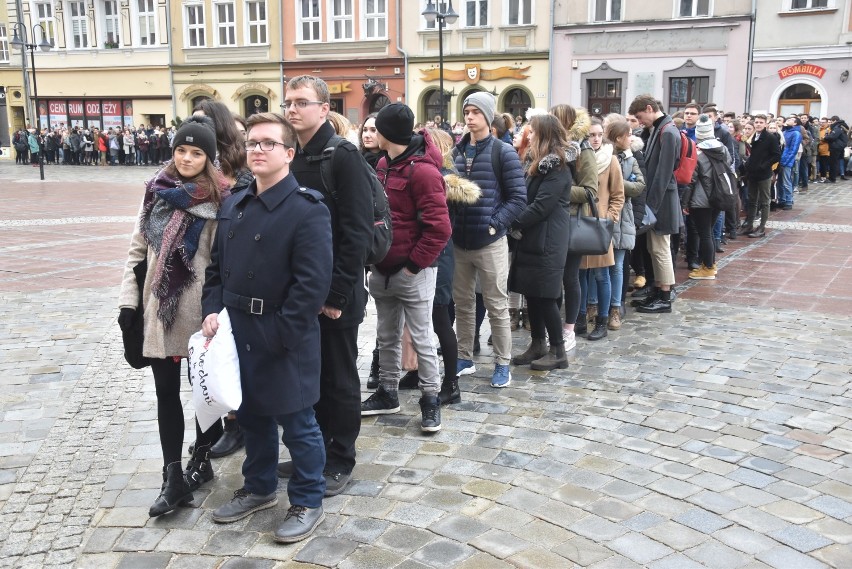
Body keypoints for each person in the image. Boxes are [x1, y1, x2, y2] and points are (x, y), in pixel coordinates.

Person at [202, 112, 333, 543]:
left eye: (268, 144)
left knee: (298, 423)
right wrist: (212, 312)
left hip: (282, 334)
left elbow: (311, 286)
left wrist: (281, 335)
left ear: (289, 154)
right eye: (252, 142)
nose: (257, 149)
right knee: (253, 417)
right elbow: (216, 270)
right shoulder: (235, 205)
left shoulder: (307, 210)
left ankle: (308, 499)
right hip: (236, 331)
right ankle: (258, 487)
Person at [117, 116, 231, 517]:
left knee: (203, 391)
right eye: (181, 149)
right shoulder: (156, 191)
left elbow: (222, 263)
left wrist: (217, 312)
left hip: (201, 311)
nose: (186, 157)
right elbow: (136, 252)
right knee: (165, 392)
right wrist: (128, 305)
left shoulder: (221, 199)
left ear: (209, 158)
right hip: (160, 307)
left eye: (196, 152)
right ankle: (172, 477)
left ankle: (201, 458)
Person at [276, 75, 374, 496]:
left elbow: (357, 234)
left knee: (338, 378)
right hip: (300, 291)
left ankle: (340, 457)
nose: (292, 109)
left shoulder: (343, 155)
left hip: (337, 292)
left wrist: (335, 295)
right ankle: (312, 451)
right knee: (307, 378)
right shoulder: (291, 154)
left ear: (323, 107)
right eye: (288, 102)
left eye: (301, 102)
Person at [359, 103, 451, 430]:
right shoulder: (383, 164)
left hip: (414, 271)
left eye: (376, 128)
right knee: (386, 335)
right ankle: (387, 391)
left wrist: (412, 267)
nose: (370, 133)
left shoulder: (424, 171)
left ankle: (430, 398)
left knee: (423, 339)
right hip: (383, 269)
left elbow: (439, 229)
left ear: (387, 133)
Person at [190, 100, 253, 458]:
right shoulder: (196, 165)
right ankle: (216, 423)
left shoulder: (238, 171)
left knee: (230, 352)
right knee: (208, 355)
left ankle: (237, 423)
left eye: (204, 123)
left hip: (227, 269)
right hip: (197, 271)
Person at [451, 92, 526, 388]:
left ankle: (502, 363)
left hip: (490, 242)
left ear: (488, 116)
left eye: (475, 112)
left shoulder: (502, 152)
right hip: (460, 241)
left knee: (496, 304)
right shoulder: (457, 152)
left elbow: (519, 198)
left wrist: (495, 225)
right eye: (466, 111)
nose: (469, 117)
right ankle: (464, 357)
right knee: (464, 304)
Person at [508, 113, 574, 370]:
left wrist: (512, 222)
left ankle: (558, 351)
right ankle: (538, 344)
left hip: (548, 241)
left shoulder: (558, 167)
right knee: (532, 292)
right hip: (534, 238)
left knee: (546, 295)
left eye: (533, 131)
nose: (529, 135)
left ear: (545, 134)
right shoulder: (538, 163)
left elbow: (540, 207)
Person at [627, 95, 681, 314]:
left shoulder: (668, 131)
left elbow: (663, 174)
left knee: (660, 249)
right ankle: (658, 291)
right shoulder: (659, 129)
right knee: (654, 248)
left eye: (640, 117)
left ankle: (665, 297)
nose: (640, 122)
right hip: (658, 200)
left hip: (662, 201)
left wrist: (650, 207)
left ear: (650, 109)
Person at [550, 104, 598, 341]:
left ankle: (569, 329)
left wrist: (557, 191)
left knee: (570, 277)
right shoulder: (551, 148)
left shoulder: (583, 149)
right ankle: (554, 327)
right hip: (551, 221)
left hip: (571, 220)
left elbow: (590, 191)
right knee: (552, 277)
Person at [578, 117, 624, 340]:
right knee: (579, 274)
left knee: (601, 274)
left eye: (598, 135)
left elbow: (618, 195)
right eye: (591, 135)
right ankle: (579, 317)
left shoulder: (611, 160)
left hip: (599, 226)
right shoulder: (578, 158)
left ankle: (602, 321)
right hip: (579, 224)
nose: (595, 139)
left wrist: (609, 218)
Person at [607, 117, 644, 330]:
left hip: (625, 217)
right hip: (607, 215)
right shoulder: (604, 156)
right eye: (628, 134)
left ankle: (615, 307)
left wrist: (617, 182)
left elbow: (639, 185)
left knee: (619, 265)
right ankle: (599, 307)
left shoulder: (631, 158)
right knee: (602, 267)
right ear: (618, 137)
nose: (631, 138)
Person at [685, 115, 728, 280]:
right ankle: (709, 264)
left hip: (701, 200)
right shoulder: (722, 148)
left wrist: (685, 202)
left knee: (704, 233)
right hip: (719, 196)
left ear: (698, 133)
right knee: (708, 232)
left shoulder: (698, 152)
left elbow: (692, 179)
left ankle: (708, 268)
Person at [740, 114, 780, 238]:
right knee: (752, 200)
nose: (758, 124)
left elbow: (776, 155)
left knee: (765, 201)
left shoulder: (770, 138)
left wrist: (764, 165)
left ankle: (762, 227)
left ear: (765, 124)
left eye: (761, 122)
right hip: (752, 173)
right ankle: (749, 225)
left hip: (764, 174)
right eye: (756, 122)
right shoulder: (753, 137)